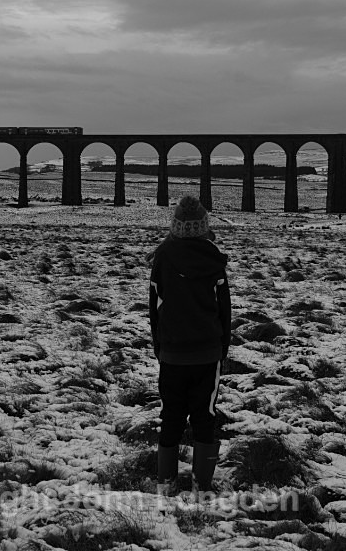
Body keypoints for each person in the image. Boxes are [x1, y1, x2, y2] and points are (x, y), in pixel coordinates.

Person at [148, 195, 231, 495]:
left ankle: (165, 483)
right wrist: (223, 347)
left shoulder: (162, 258)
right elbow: (225, 311)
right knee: (204, 417)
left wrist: (159, 346)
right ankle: (202, 485)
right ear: (203, 227)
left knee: (171, 416)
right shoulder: (213, 259)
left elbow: (154, 308)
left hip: (171, 354)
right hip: (207, 355)